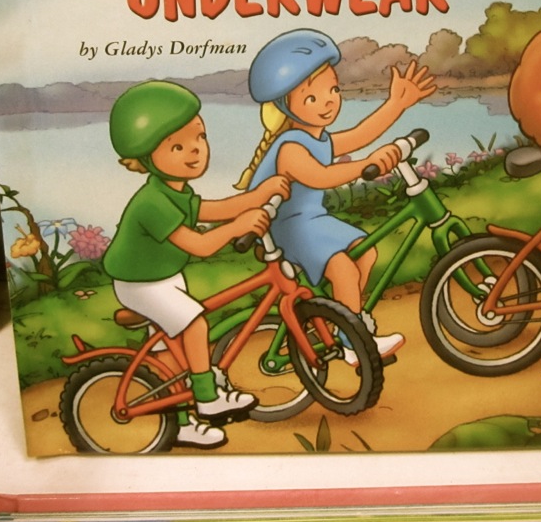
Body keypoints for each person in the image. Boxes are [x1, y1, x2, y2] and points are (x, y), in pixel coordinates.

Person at [103, 80, 289, 449]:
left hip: (165, 277)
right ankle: (207, 397)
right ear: (146, 156)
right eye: (177, 146)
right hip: (140, 284)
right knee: (195, 324)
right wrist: (237, 226)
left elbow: (214, 209)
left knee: (171, 355)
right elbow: (200, 245)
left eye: (199, 137)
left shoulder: (176, 190)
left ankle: (181, 424)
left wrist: (258, 195)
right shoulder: (152, 202)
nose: (195, 150)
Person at [237, 29, 436, 361]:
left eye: (333, 90)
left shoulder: (316, 138)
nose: (329, 101)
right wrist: (369, 164)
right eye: (312, 98)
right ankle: (352, 340)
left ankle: (344, 318)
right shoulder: (289, 147)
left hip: (312, 220)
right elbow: (322, 176)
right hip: (287, 227)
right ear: (286, 105)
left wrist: (397, 103)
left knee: (365, 253)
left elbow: (360, 135)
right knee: (343, 268)